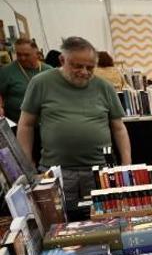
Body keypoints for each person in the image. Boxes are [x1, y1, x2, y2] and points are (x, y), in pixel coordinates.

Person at [17, 36, 131, 214]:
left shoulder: (104, 87)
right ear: (62, 60)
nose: (85, 72)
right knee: (58, 221)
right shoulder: (41, 83)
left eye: (90, 67)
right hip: (56, 172)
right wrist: (27, 163)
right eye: (77, 66)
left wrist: (126, 163)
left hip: (99, 170)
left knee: (104, 219)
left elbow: (119, 128)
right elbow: (25, 125)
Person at [0, 39, 52, 123]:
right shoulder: (6, 71)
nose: (22, 58)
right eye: (19, 55)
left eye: (26, 55)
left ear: (38, 54)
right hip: (18, 123)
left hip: (45, 123)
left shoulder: (49, 71)